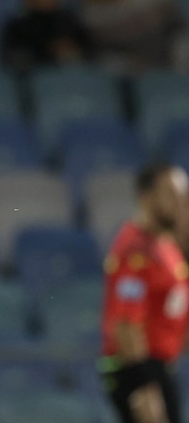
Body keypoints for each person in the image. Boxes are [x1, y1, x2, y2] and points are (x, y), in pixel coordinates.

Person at [100, 163, 189, 423]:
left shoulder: (167, 246)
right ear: (146, 197)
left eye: (182, 196)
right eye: (169, 194)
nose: (178, 203)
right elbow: (126, 325)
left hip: (163, 366)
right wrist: (145, 388)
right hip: (137, 370)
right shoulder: (136, 251)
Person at [0, 0, 93, 76]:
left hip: (72, 77)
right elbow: (9, 56)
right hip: (31, 78)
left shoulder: (70, 21)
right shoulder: (17, 26)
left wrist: (73, 52)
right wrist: (49, 52)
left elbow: (91, 50)